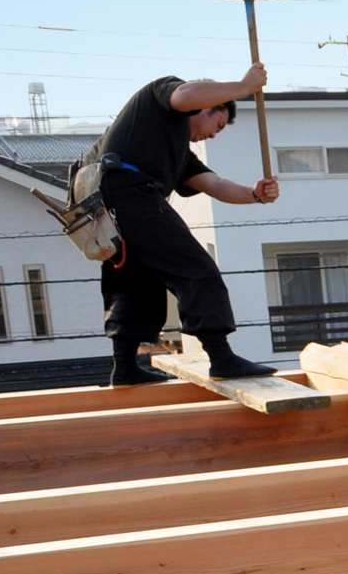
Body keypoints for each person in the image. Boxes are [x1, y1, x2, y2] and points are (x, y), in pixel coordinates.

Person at [81, 69, 279, 384]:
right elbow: (185, 96)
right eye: (218, 124)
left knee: (136, 280)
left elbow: (214, 184)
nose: (215, 134)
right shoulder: (160, 94)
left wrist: (255, 194)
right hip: (129, 192)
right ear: (207, 105)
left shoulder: (177, 151)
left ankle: (125, 367)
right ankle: (221, 357)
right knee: (196, 268)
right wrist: (243, 87)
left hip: (113, 203)